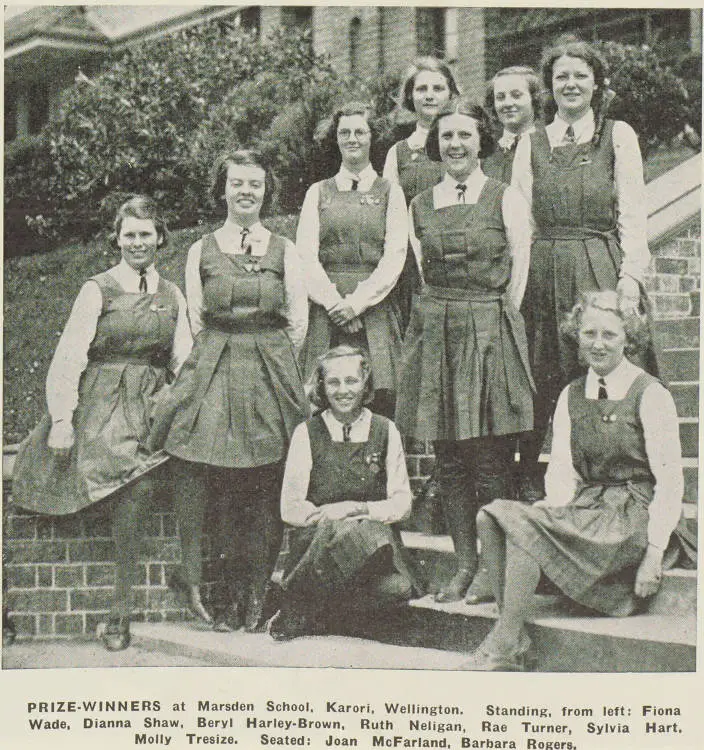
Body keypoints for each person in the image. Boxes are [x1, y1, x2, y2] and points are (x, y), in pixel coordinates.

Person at [464, 291, 683, 671]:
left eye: (609, 335)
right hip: (587, 506)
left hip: (633, 514)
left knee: (525, 531)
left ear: (628, 338)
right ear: (577, 336)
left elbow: (670, 480)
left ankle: (504, 642)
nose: (598, 344)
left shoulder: (651, 394)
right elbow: (563, 470)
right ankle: (514, 636)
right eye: (589, 333)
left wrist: (653, 554)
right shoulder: (570, 395)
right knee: (491, 517)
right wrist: (553, 511)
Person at [12, 196, 192, 650]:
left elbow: (184, 360)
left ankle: (120, 610)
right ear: (117, 238)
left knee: (144, 485)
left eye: (145, 234)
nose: (137, 242)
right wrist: (60, 418)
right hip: (102, 404)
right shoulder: (98, 289)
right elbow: (70, 355)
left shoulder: (173, 296)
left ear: (160, 239)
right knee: (115, 477)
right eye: (129, 234)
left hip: (150, 405)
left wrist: (174, 402)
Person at [151, 149, 309, 633]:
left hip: (268, 366)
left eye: (255, 184)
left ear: (266, 192)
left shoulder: (285, 249)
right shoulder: (203, 249)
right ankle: (220, 589)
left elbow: (298, 320)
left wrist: (272, 357)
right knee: (214, 475)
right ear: (223, 189)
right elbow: (195, 318)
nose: (246, 192)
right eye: (237, 183)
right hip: (216, 365)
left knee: (265, 480)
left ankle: (257, 591)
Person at [395, 98, 534, 604]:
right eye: (447, 136)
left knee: (490, 457)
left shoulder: (506, 198)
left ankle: (493, 568)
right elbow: (422, 271)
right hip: (438, 332)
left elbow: (518, 275)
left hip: (488, 328)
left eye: (465, 135)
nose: (455, 144)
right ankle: (464, 563)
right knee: (449, 457)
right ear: (436, 144)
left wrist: (491, 324)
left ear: (482, 142)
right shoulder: (419, 205)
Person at [512, 37, 652, 500]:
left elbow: (632, 211)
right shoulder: (529, 144)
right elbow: (522, 222)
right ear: (549, 88)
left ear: (596, 83)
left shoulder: (619, 135)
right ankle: (540, 478)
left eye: (580, 75)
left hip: (599, 264)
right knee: (545, 371)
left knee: (603, 364)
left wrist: (630, 276)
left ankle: (616, 472)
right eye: (561, 77)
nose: (571, 84)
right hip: (545, 270)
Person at [269, 346, 416, 641]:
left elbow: (402, 503)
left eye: (351, 381)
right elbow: (290, 507)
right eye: (334, 382)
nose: (343, 390)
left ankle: (308, 606)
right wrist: (331, 522)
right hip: (320, 544)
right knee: (343, 536)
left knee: (398, 586)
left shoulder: (386, 430)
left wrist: (355, 509)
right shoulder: (306, 432)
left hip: (372, 553)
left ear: (365, 384)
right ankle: (331, 611)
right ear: (322, 387)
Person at [382, 57, 460, 531]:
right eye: (421, 89)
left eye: (438, 87)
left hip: (458, 273)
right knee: (424, 373)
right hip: (415, 275)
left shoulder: (459, 140)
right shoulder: (398, 152)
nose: (429, 96)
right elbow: (393, 215)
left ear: (451, 92)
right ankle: (425, 472)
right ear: (409, 97)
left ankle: (449, 470)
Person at [296, 101, 408, 419]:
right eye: (344, 132)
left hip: (373, 307)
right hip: (326, 308)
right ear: (336, 138)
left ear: (373, 137)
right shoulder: (318, 192)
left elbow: (394, 255)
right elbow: (306, 255)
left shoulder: (390, 192)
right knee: (321, 396)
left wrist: (356, 304)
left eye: (360, 131)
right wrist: (335, 304)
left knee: (379, 396)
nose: (352, 138)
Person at [482, 65, 541, 187]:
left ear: (534, 98)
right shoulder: (486, 155)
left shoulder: (549, 147)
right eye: (500, 97)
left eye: (516, 95)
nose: (507, 103)